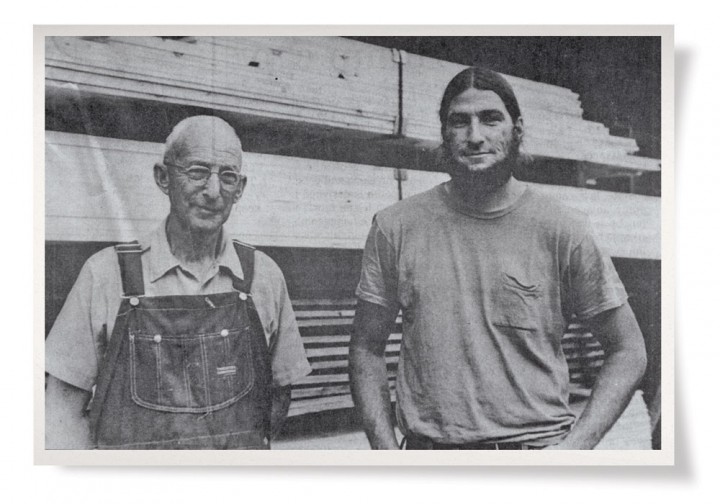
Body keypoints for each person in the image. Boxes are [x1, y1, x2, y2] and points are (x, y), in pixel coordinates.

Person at [349, 67, 647, 450]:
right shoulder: (396, 227)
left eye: (491, 119)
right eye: (460, 122)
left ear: (517, 129)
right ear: (444, 133)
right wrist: (387, 455)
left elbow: (628, 349)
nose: (475, 137)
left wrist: (574, 452)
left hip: (533, 456)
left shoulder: (562, 229)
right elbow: (365, 349)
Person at [45, 115, 312, 449]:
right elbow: (60, 414)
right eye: (197, 172)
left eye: (227, 177)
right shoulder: (105, 276)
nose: (214, 191)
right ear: (163, 177)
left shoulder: (264, 278)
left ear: (240, 188)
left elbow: (277, 397)